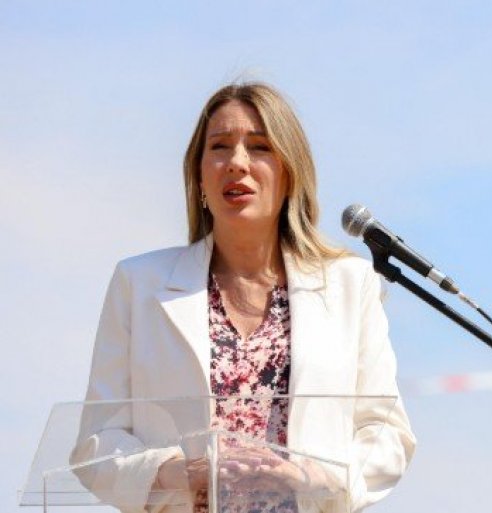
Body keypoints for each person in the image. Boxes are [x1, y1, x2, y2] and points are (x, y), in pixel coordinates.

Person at [72, 83, 416, 513]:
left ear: (289, 173)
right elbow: (97, 442)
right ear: (199, 177)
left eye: (259, 147)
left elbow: (386, 435)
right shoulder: (138, 284)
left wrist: (312, 476)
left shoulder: (349, 284)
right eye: (219, 146)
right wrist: (177, 472)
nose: (237, 162)